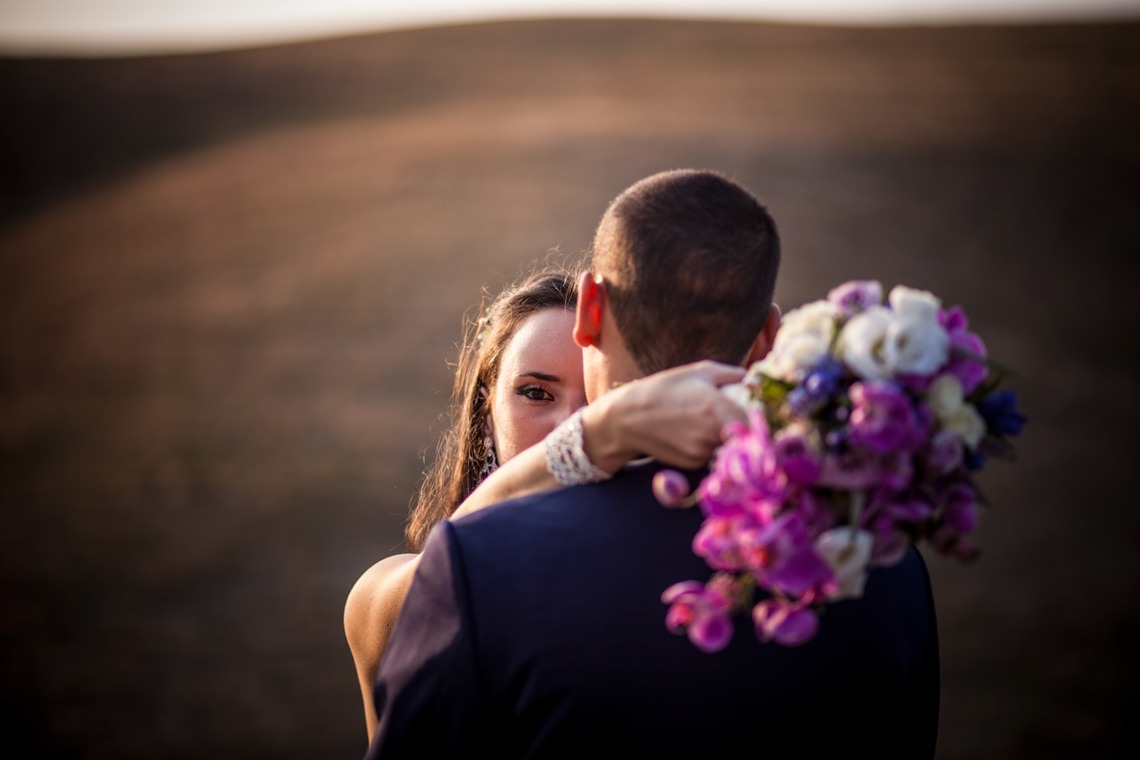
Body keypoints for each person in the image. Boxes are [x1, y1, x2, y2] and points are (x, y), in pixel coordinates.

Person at [365, 169, 940, 758]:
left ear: (591, 309)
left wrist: (595, 438)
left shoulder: (478, 568)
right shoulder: (882, 565)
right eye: (536, 392)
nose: (568, 421)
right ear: (768, 337)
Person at [344, 267, 749, 742]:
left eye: (608, 400)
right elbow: (441, 583)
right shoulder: (382, 593)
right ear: (486, 413)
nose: (568, 423)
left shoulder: (690, 592)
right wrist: (595, 436)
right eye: (536, 393)